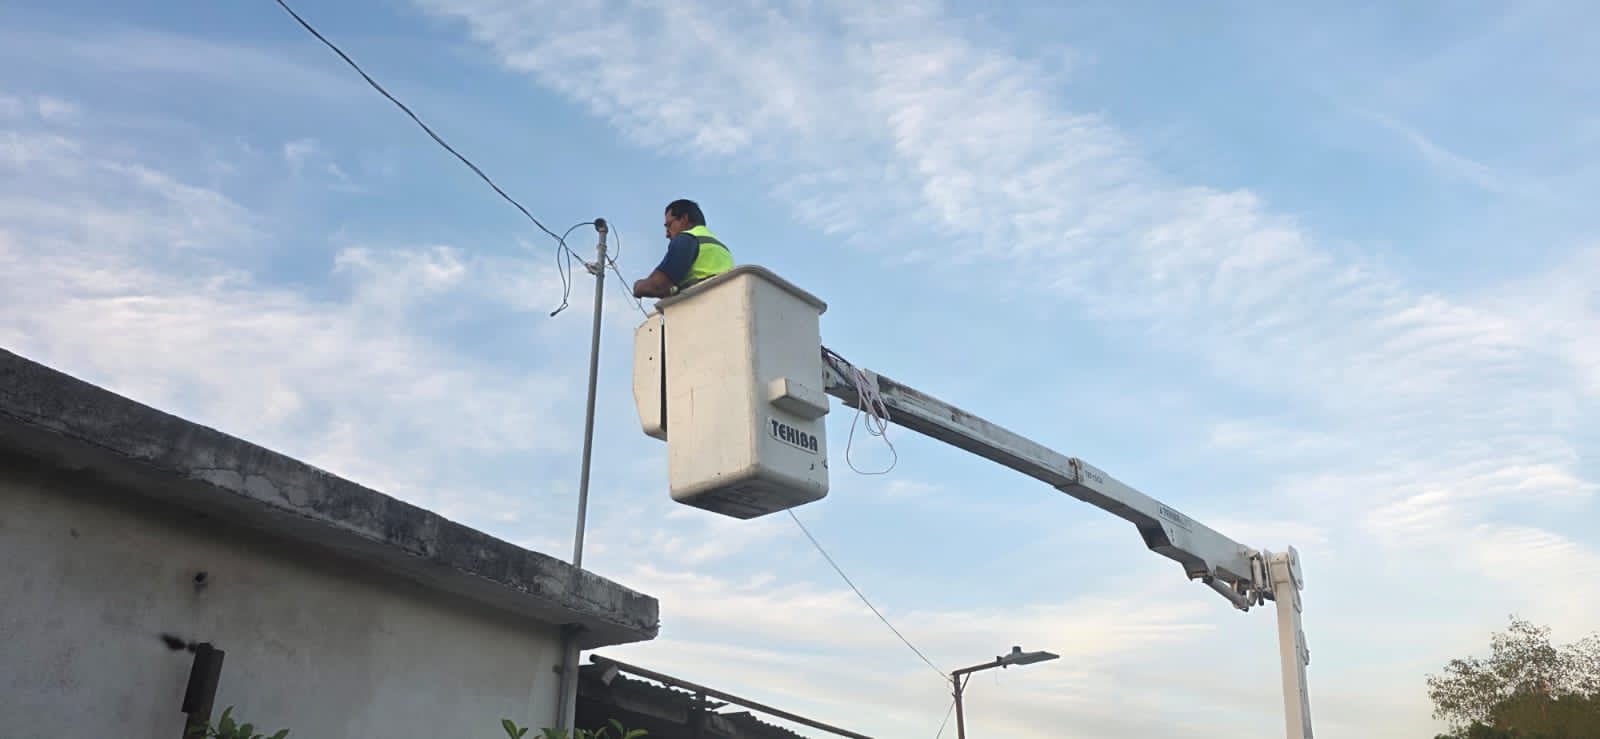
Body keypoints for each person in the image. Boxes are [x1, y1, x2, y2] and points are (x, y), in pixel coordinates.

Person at [632, 199, 734, 299]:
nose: (667, 234)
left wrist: (638, 286)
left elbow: (658, 286)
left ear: (684, 219)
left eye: (669, 225)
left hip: (701, 305)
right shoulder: (723, 249)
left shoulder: (686, 239)